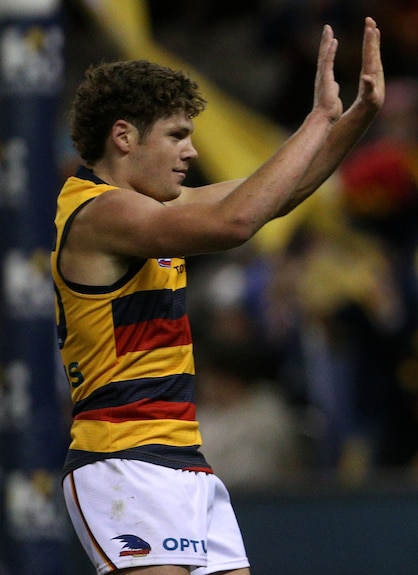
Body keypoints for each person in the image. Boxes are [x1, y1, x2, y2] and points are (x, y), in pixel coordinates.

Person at [51, 17, 384, 574]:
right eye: (177, 135)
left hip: (185, 464)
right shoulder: (99, 213)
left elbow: (277, 196)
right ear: (124, 136)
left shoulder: (152, 209)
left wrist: (354, 120)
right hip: (122, 463)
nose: (193, 151)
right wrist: (317, 118)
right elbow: (238, 222)